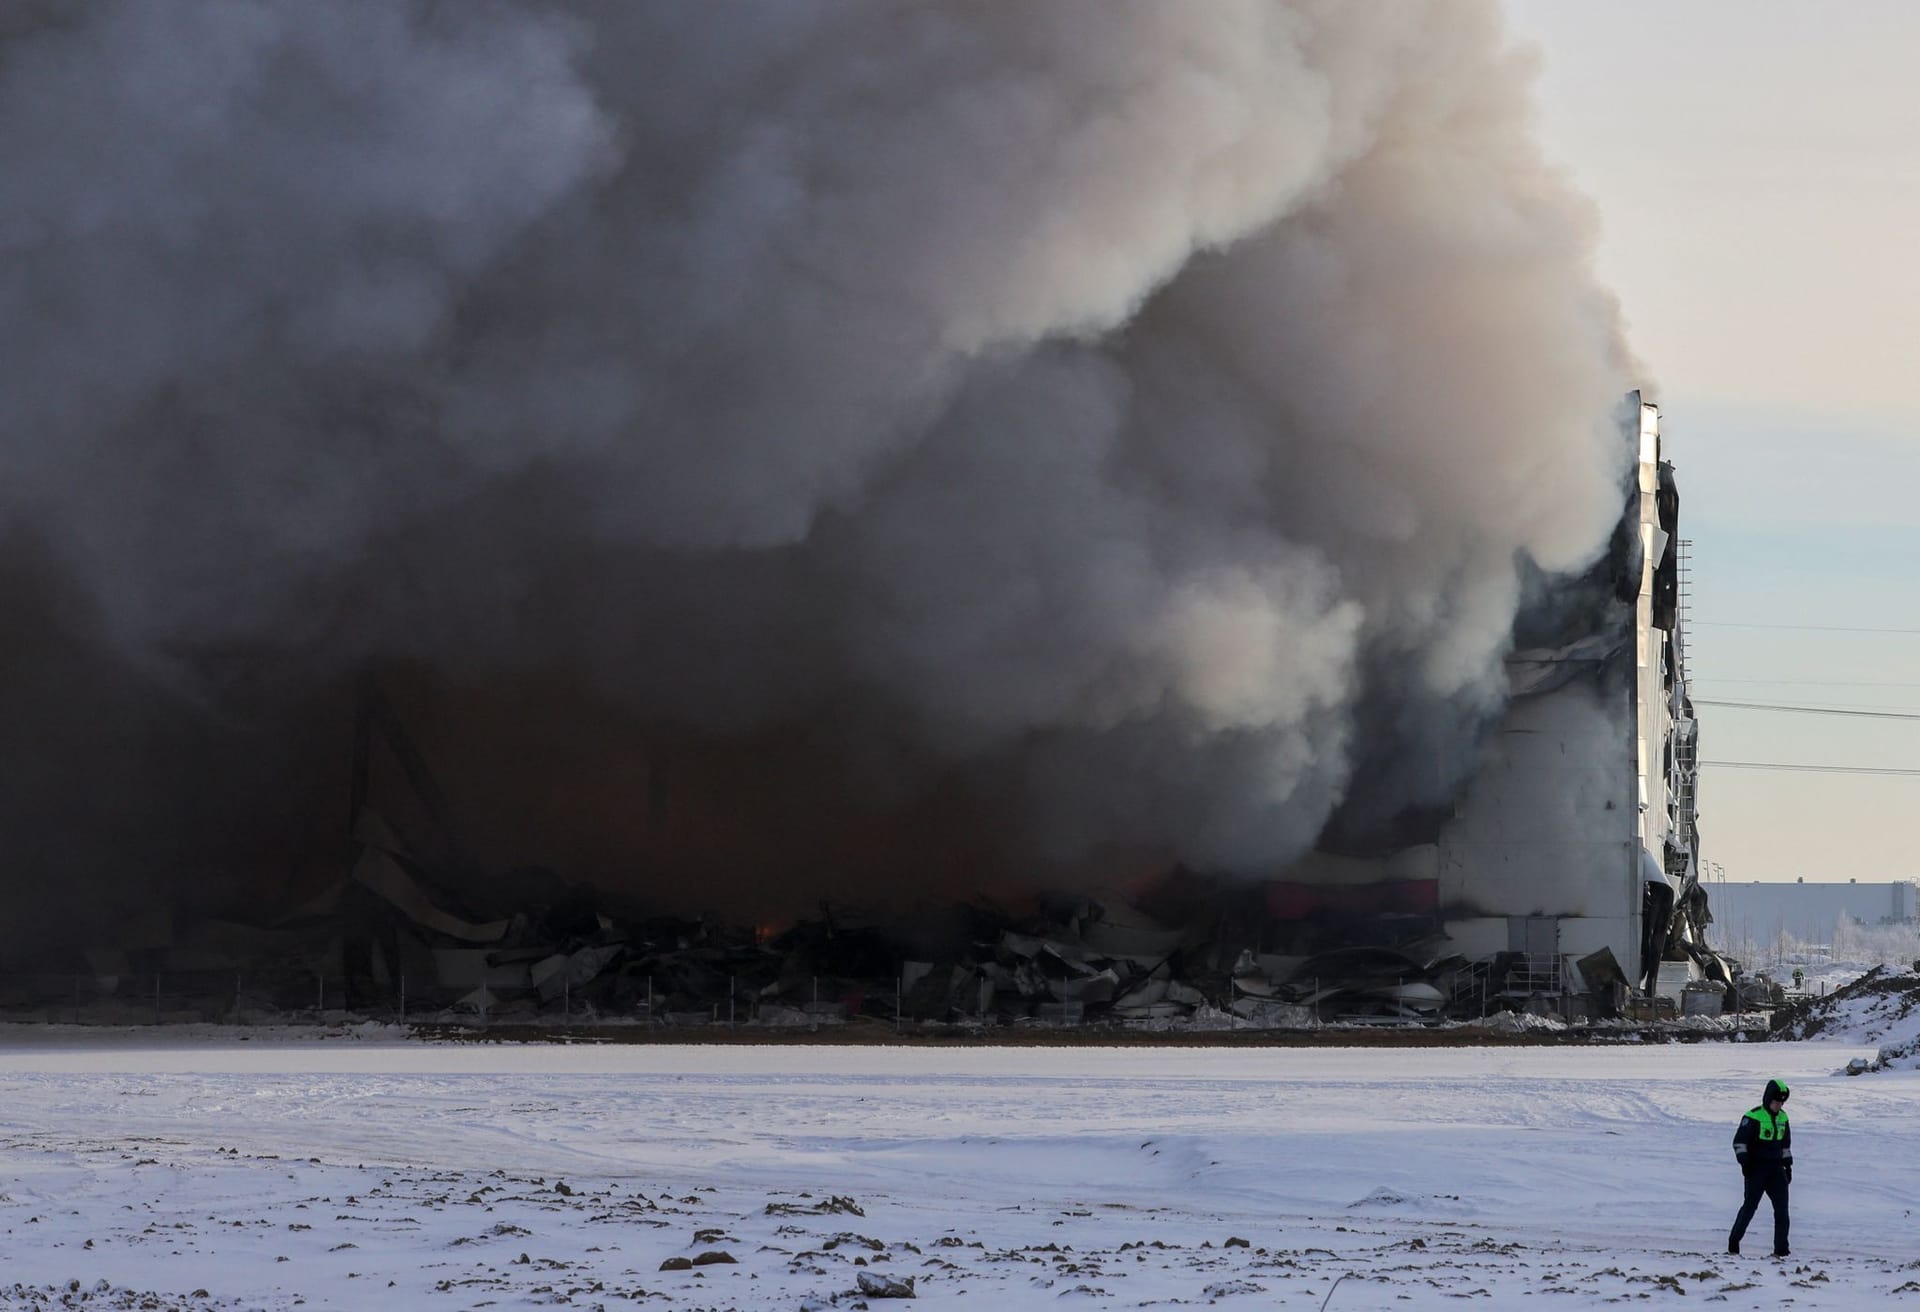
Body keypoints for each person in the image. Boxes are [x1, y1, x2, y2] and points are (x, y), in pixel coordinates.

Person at [1728, 1078, 1792, 1257]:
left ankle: (1781, 1251)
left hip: (1776, 1171)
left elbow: (1786, 1145)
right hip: (1756, 1170)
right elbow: (1739, 1143)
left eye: (1781, 1102)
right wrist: (1745, 1164)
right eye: (1776, 1101)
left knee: (1782, 1211)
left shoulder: (1783, 1117)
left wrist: (1788, 1166)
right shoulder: (1753, 1116)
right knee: (1749, 1208)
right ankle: (1733, 1243)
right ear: (1767, 1099)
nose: (1778, 1105)